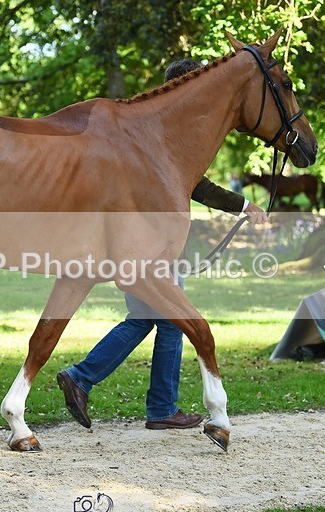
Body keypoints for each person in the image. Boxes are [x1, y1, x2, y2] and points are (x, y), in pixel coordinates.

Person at [57, 58, 267, 430]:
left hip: (139, 243)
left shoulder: (150, 130)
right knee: (171, 322)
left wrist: (242, 206)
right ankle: (155, 406)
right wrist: (244, 205)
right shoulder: (167, 135)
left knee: (144, 319)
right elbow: (198, 186)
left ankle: (85, 378)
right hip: (152, 245)